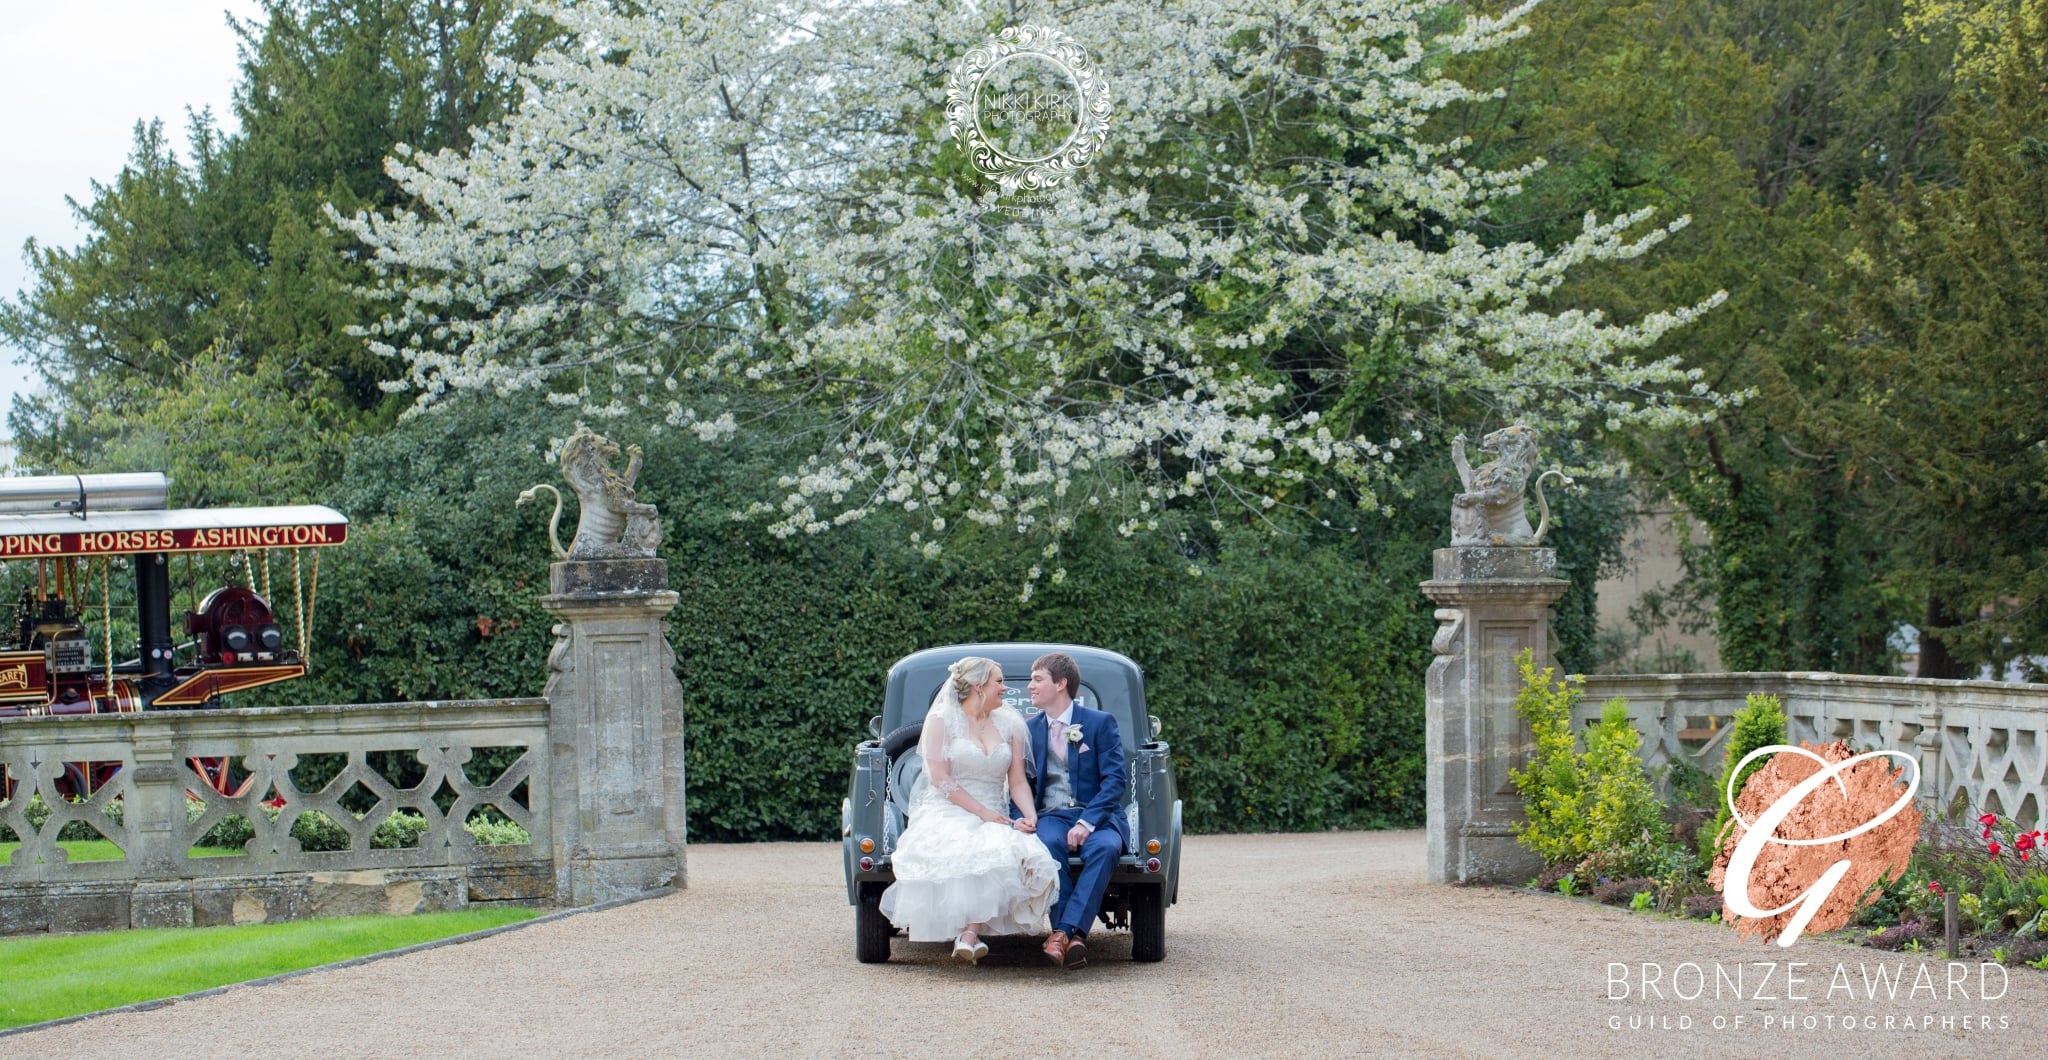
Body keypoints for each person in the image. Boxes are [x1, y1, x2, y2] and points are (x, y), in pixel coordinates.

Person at [879, 657, 1061, 964]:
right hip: (948, 808)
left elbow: (1017, 780)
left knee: (1006, 850)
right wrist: (981, 813)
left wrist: (1029, 814)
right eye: (999, 681)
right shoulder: (942, 720)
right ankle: (968, 935)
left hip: (994, 810)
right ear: (978, 686)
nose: (1005, 688)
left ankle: (969, 934)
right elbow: (940, 779)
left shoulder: (1010, 723)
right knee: (969, 848)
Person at [1022, 651, 1128, 970]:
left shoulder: (1099, 723)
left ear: (1061, 684)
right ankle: (1075, 936)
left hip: (1099, 817)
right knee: (1046, 845)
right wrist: (1021, 818)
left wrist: (1087, 821)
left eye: (1037, 679)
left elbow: (1115, 780)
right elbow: (1021, 782)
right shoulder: (1029, 729)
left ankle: (1063, 934)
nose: (1030, 686)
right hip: (1051, 815)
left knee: (1107, 848)